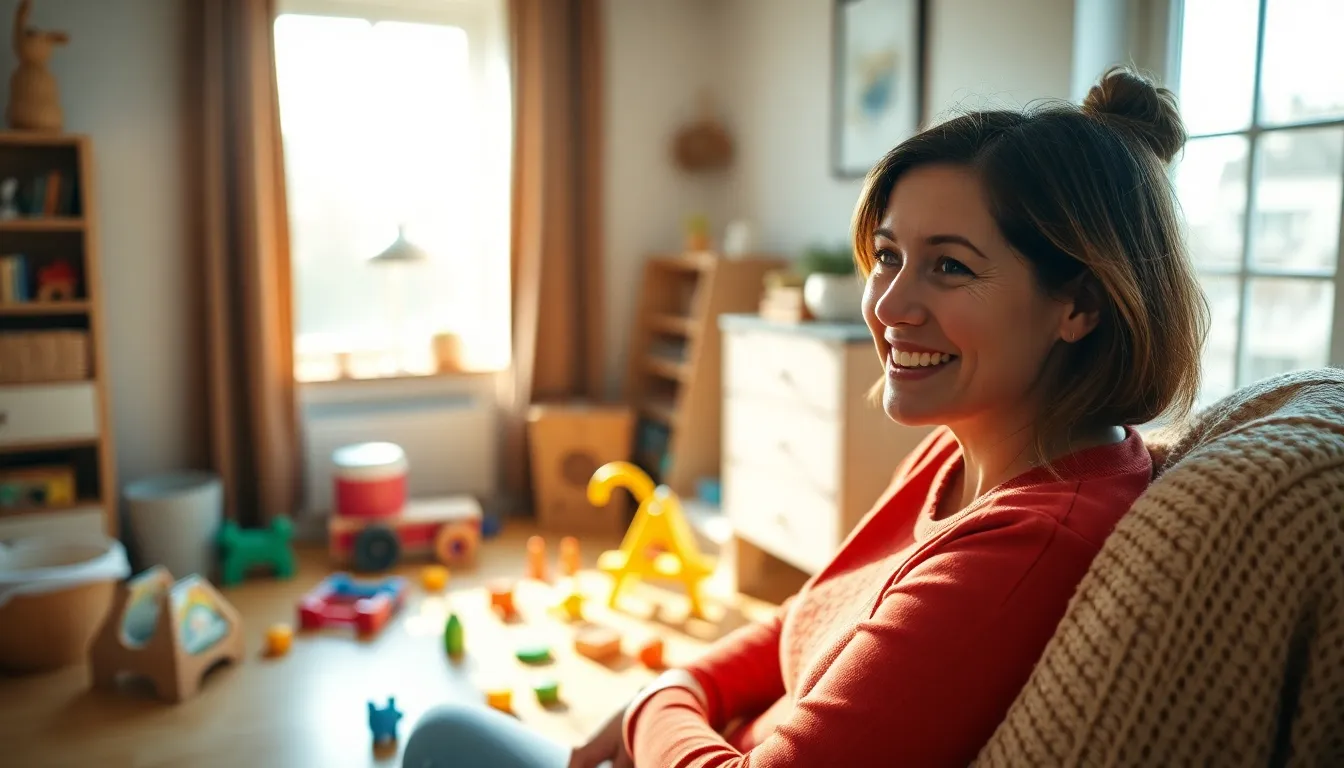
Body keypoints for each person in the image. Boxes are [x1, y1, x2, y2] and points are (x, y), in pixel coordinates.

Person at [401, 65, 1208, 768]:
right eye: (887, 256)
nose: (888, 306)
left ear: (1081, 305)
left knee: (438, 737)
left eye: (950, 267)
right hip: (717, 734)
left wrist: (656, 707)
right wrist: (687, 683)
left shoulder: (1026, 543)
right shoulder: (963, 447)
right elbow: (813, 613)